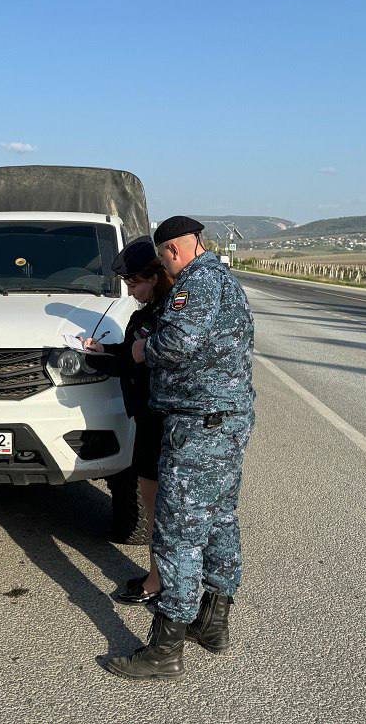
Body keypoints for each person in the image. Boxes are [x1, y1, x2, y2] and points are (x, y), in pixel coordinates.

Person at [103, 215, 255, 680]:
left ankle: (164, 648)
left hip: (198, 426)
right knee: (220, 520)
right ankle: (213, 622)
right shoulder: (226, 281)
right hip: (225, 421)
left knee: (177, 534)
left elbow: (179, 342)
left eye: (163, 257)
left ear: (172, 251)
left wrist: (142, 348)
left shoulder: (196, 284)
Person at [82, 236, 174, 606]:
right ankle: (157, 575)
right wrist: (103, 351)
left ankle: (161, 582)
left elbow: (155, 357)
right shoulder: (145, 313)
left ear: (154, 275)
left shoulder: (173, 313)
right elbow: (131, 356)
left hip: (163, 420)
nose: (131, 291)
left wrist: (130, 355)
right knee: (153, 505)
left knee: (163, 508)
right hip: (146, 420)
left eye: (135, 283)